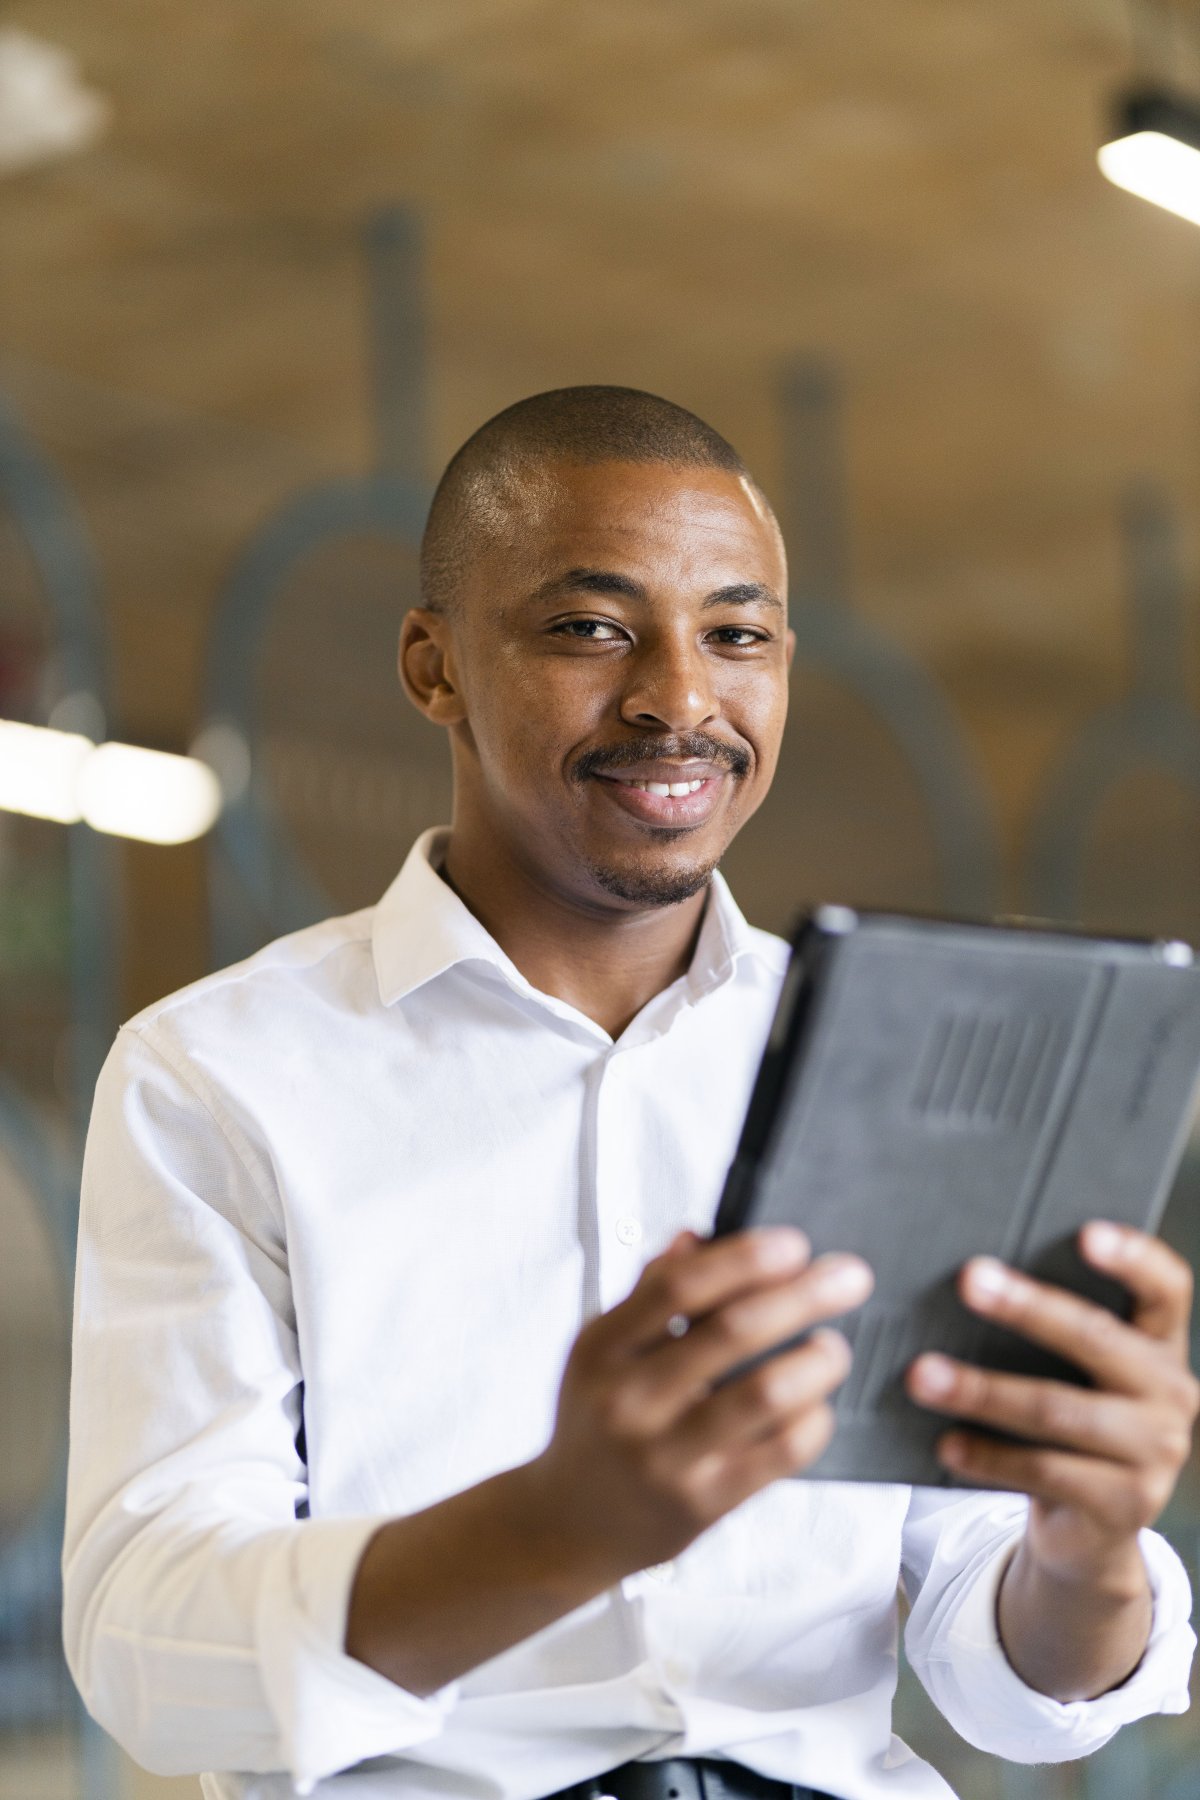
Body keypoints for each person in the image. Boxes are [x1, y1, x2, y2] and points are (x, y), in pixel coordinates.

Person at [64, 387, 1198, 1800]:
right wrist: (559, 1526)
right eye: (590, 629)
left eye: (738, 634)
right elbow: (151, 1652)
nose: (678, 697)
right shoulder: (221, 1074)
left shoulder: (898, 1054)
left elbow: (1015, 1683)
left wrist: (1085, 1546)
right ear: (434, 667)